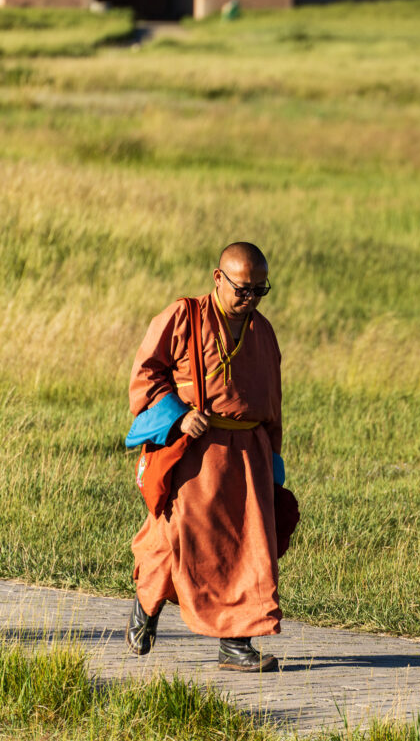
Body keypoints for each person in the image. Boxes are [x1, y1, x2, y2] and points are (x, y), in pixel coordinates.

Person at [125, 242, 285, 672]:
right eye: (242, 289)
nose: (250, 298)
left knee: (251, 545)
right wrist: (178, 417)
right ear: (218, 278)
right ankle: (147, 604)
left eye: (259, 290)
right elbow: (147, 373)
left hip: (249, 455)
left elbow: (272, 400)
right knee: (177, 540)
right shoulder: (182, 316)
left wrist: (274, 458)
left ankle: (236, 644)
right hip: (196, 453)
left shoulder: (262, 331)